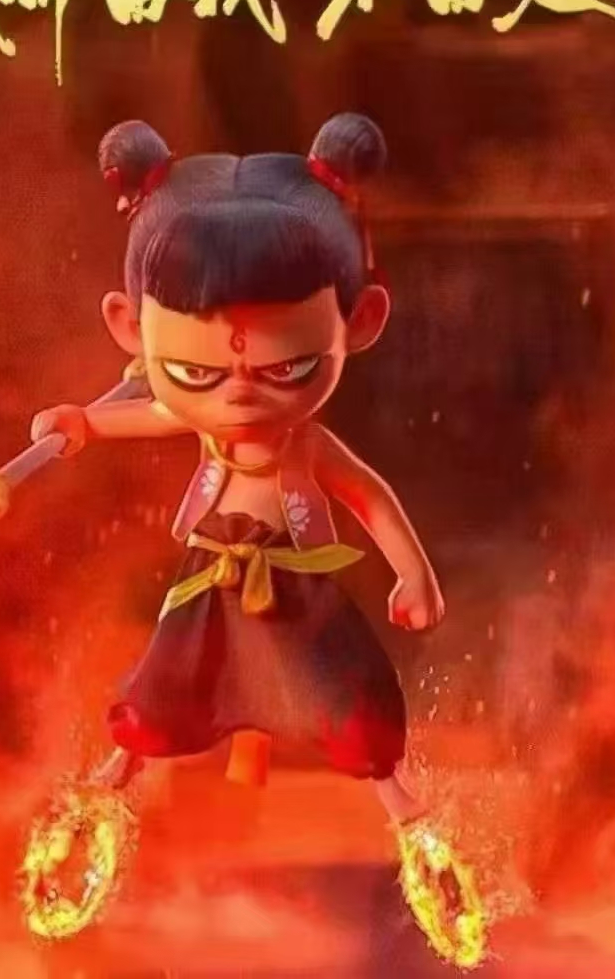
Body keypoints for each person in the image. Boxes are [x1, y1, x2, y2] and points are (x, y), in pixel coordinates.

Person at [31, 112, 445, 833]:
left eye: (288, 368)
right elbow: (136, 415)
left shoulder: (307, 444)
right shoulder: (199, 425)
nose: (240, 395)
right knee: (170, 676)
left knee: (345, 689)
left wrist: (416, 576)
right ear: (130, 329)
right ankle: (127, 759)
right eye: (198, 372)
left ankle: (391, 787)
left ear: (361, 321)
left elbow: (369, 499)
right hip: (213, 575)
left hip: (297, 580)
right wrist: (82, 422)